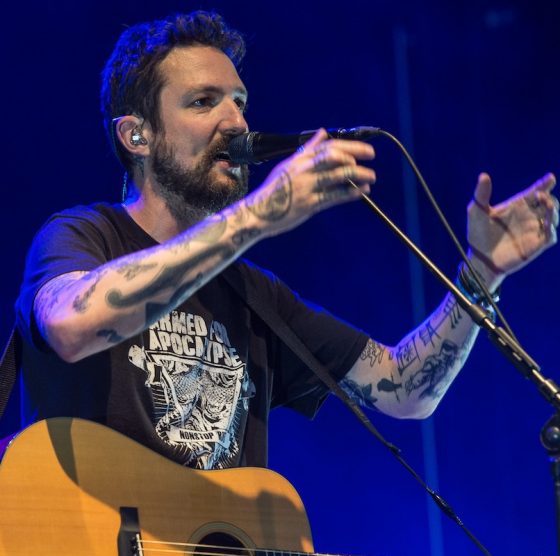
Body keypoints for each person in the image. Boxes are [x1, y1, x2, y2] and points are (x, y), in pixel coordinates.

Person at [15, 11, 558, 470]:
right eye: (204, 102)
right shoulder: (82, 235)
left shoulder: (256, 296)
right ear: (138, 135)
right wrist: (257, 217)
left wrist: (483, 270)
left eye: (239, 101)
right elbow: (70, 325)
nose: (235, 120)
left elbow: (405, 388)